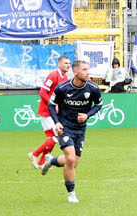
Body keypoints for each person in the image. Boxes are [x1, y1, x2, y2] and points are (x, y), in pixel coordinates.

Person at [38, 59, 105, 205]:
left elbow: (99, 104)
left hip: (80, 129)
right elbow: (51, 104)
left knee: (73, 162)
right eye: (85, 70)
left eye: (88, 69)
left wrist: (88, 115)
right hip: (65, 127)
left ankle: (51, 160)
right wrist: (57, 122)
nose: (88, 72)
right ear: (75, 72)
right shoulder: (63, 88)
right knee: (70, 158)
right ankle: (71, 194)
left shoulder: (93, 88)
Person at [27, 54, 72, 169]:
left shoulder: (65, 78)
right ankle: (34, 154)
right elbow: (42, 92)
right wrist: (54, 104)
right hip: (47, 110)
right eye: (65, 63)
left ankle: (42, 162)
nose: (68, 65)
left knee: (54, 137)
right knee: (57, 136)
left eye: (69, 63)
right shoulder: (53, 75)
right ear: (59, 64)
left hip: (54, 111)